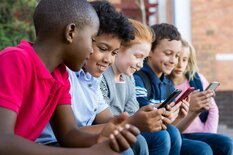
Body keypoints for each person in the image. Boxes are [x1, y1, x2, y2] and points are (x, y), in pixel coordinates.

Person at [0, 0, 140, 154]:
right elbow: (4, 141)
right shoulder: (14, 60)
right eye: (92, 40)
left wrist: (99, 138)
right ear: (71, 32)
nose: (90, 50)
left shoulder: (59, 76)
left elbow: (68, 134)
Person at [37, 1, 147, 155]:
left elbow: (104, 122)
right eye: (102, 48)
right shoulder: (59, 73)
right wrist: (131, 122)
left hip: (72, 141)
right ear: (73, 34)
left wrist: (135, 120)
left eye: (114, 53)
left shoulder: (89, 78)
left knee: (136, 141)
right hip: (48, 144)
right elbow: (68, 134)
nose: (108, 59)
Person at [99, 20, 182, 155]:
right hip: (105, 128)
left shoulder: (129, 78)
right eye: (137, 57)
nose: (140, 65)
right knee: (143, 141)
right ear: (119, 49)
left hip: (126, 125)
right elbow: (104, 118)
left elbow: (132, 110)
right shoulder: (103, 76)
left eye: (143, 59)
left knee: (168, 134)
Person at [168, 39, 233, 155]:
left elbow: (213, 109)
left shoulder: (197, 80)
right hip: (178, 134)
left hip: (201, 132)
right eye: (178, 58)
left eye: (184, 60)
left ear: (189, 61)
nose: (180, 64)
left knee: (227, 143)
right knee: (202, 149)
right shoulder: (164, 85)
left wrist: (209, 133)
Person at [133, 23, 186, 155]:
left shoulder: (168, 85)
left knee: (209, 146)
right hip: (140, 130)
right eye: (168, 53)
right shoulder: (138, 77)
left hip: (164, 133)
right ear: (149, 51)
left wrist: (178, 116)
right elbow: (145, 113)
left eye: (177, 55)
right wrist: (165, 113)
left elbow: (169, 124)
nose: (174, 61)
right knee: (166, 135)